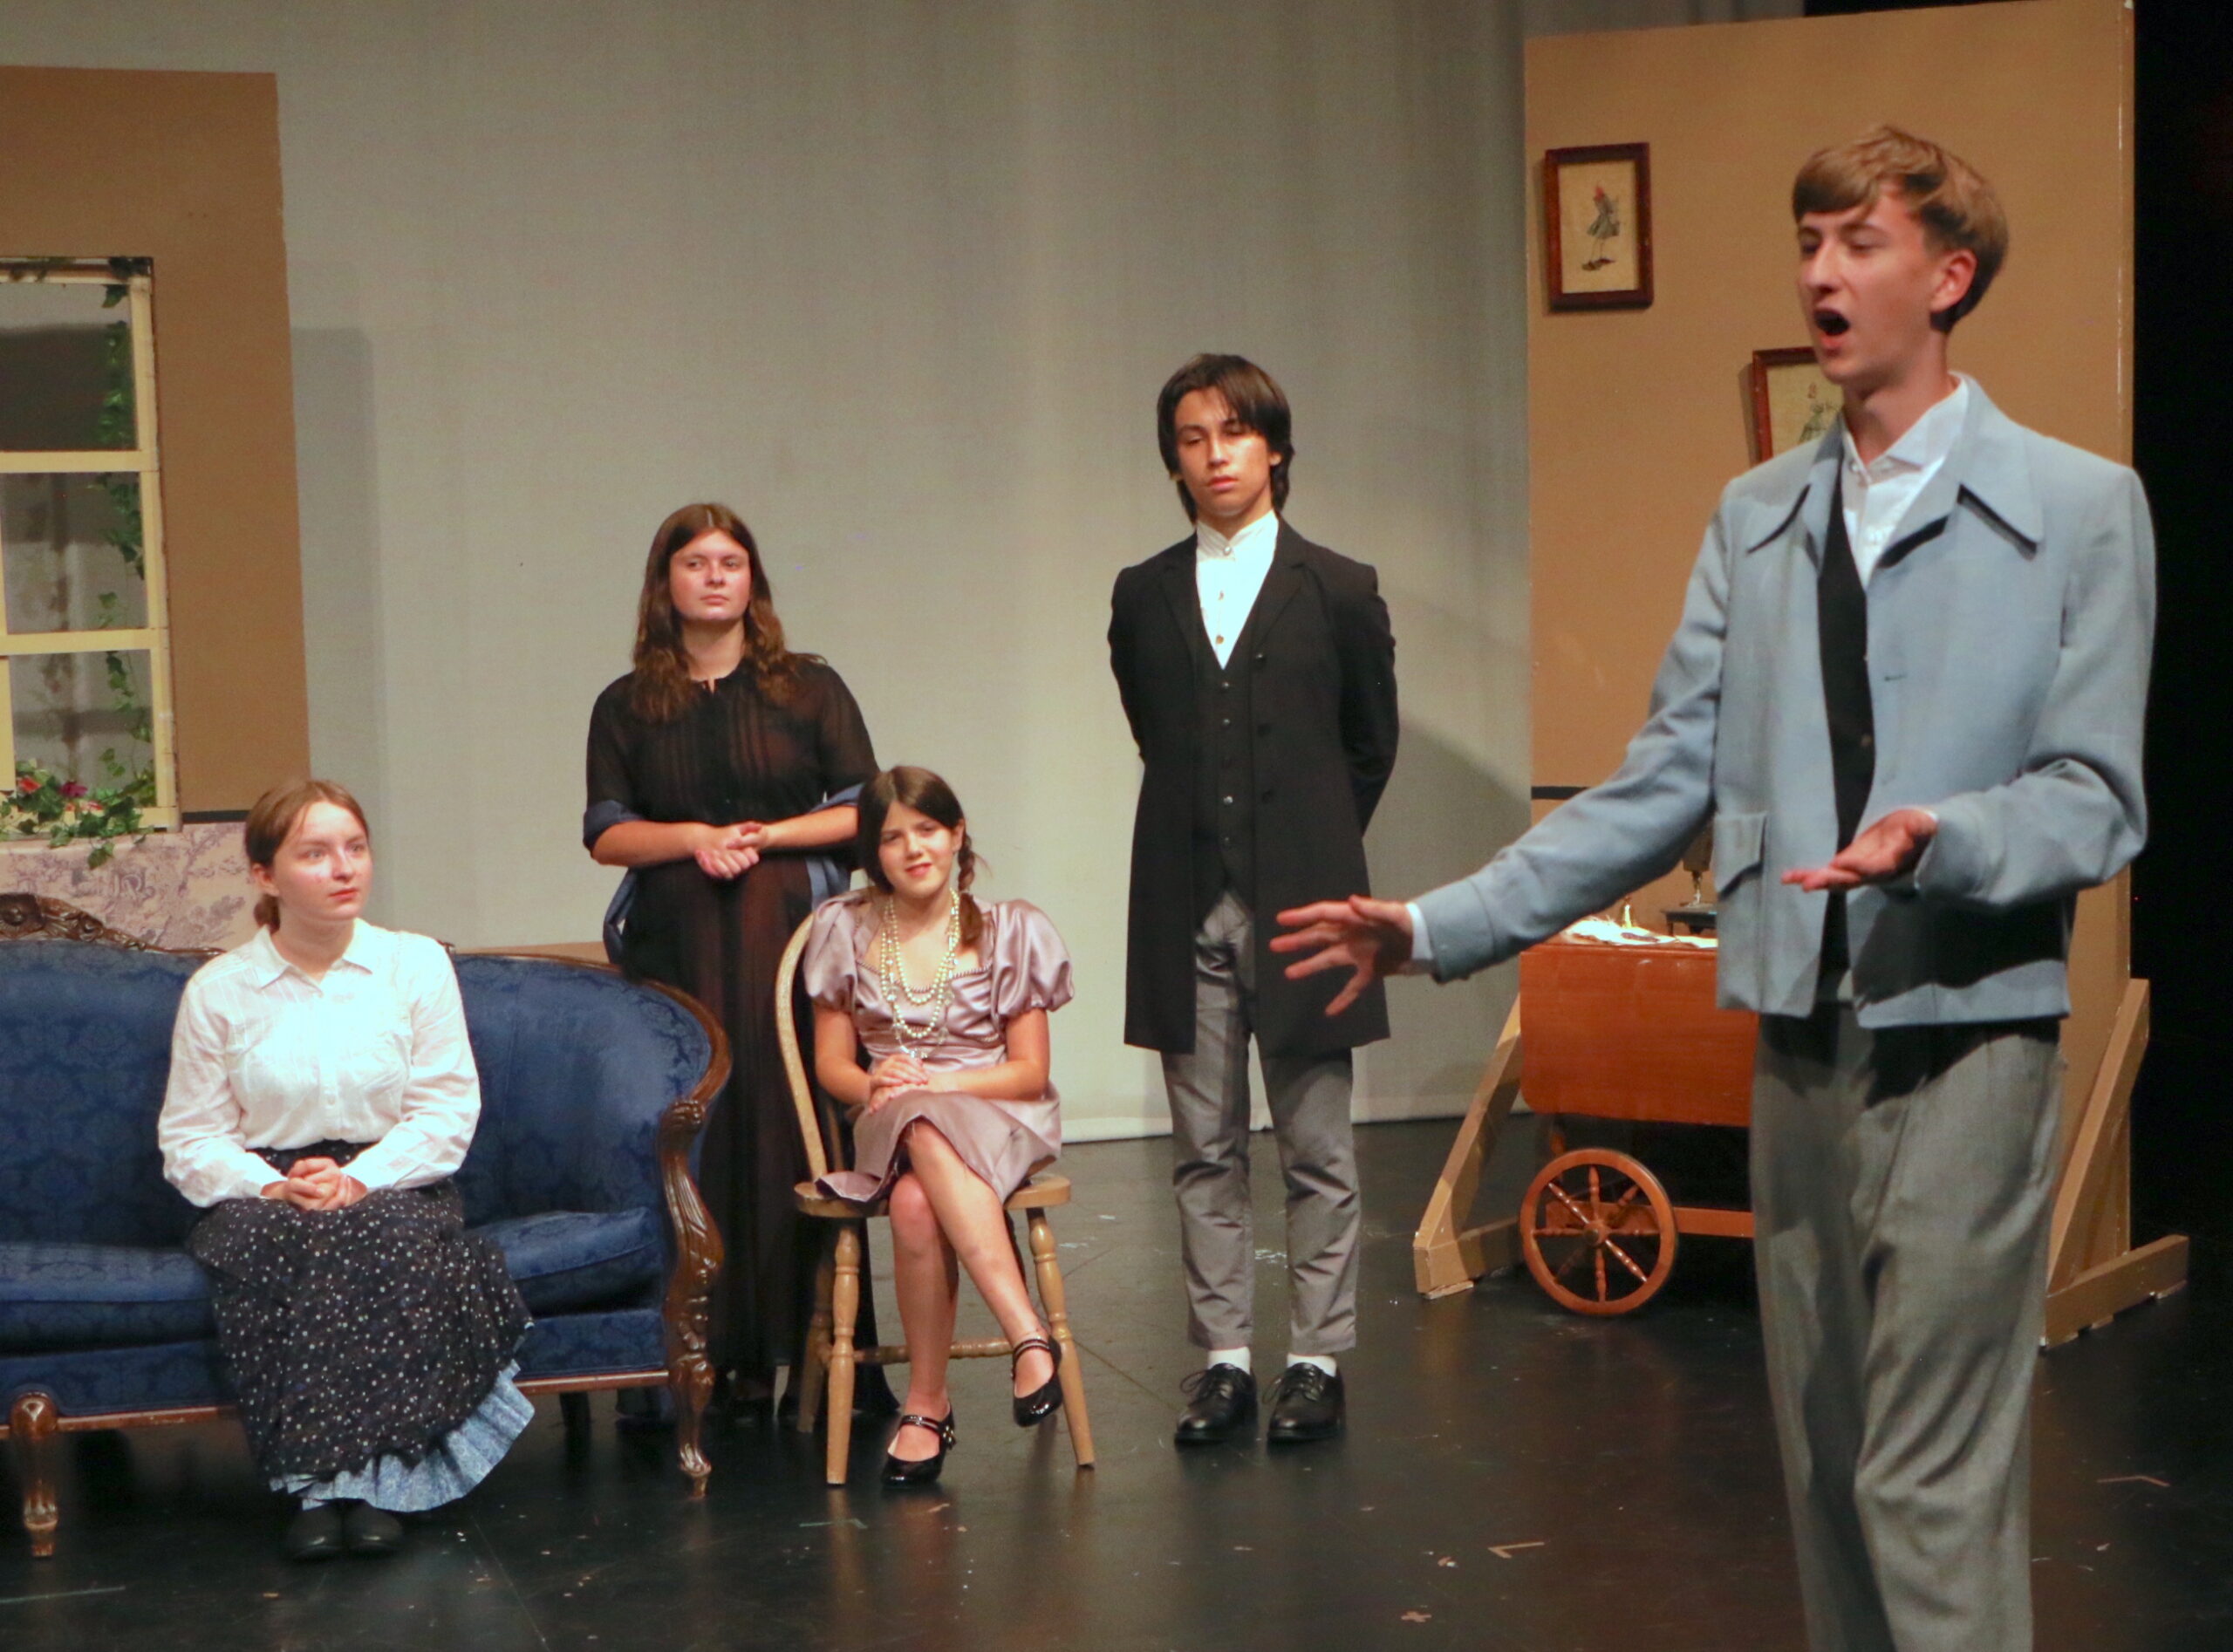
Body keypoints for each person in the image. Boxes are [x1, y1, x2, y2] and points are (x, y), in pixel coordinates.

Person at [1275, 127, 2152, 1652]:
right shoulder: (1757, 516)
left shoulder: (2080, 508)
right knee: (1823, 1466)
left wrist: (1940, 835)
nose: (1822, 271)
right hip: (1801, 1037)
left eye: (1859, 243)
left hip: (1967, 1031)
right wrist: (1435, 924)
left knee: (1926, 1471)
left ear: (1948, 279)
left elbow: (2098, 793)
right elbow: (1659, 782)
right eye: (1809, 240)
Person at [1107, 354, 1399, 1446]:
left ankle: (1316, 1357)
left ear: (1273, 446)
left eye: (1234, 432)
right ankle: (1225, 1357)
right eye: (1192, 436)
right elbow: (1157, 730)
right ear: (1172, 459)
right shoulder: (1143, 593)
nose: (1215, 452)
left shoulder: (1340, 586)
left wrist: (1309, 846)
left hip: (1308, 908)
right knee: (1203, 1144)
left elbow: (1369, 745)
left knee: (1317, 1146)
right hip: (1185, 900)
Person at [160, 781, 531, 1563]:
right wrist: (271, 1184)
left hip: (394, 1175)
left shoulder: (415, 966)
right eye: (315, 853)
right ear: (265, 876)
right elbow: (190, 1139)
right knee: (276, 1243)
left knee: (381, 1238)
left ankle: (357, 1486)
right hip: (263, 1185)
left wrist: (362, 1179)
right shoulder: (219, 991)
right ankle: (326, 1484)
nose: (344, 869)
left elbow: (443, 1114)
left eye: (355, 849)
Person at [585, 502, 894, 1414]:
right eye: (694, 562)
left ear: (753, 580)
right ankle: (694, 1359)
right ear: (665, 583)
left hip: (786, 946)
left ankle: (814, 1347)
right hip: (677, 948)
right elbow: (605, 833)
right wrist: (691, 838)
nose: (715, 575)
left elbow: (864, 809)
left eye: (731, 561)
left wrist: (762, 837)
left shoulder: (808, 688)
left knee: (785, 1124)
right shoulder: (627, 703)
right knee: (697, 1128)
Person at [803, 766, 1075, 1485]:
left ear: (957, 835)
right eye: (892, 837)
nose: (912, 849)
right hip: (890, 1114)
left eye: (927, 830)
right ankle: (1030, 1338)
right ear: (874, 852)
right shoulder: (843, 927)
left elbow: (1029, 1072)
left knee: (919, 1186)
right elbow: (831, 1063)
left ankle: (928, 1405)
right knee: (915, 1174)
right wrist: (872, 1081)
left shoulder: (1011, 927)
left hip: (997, 1110)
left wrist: (942, 1083)